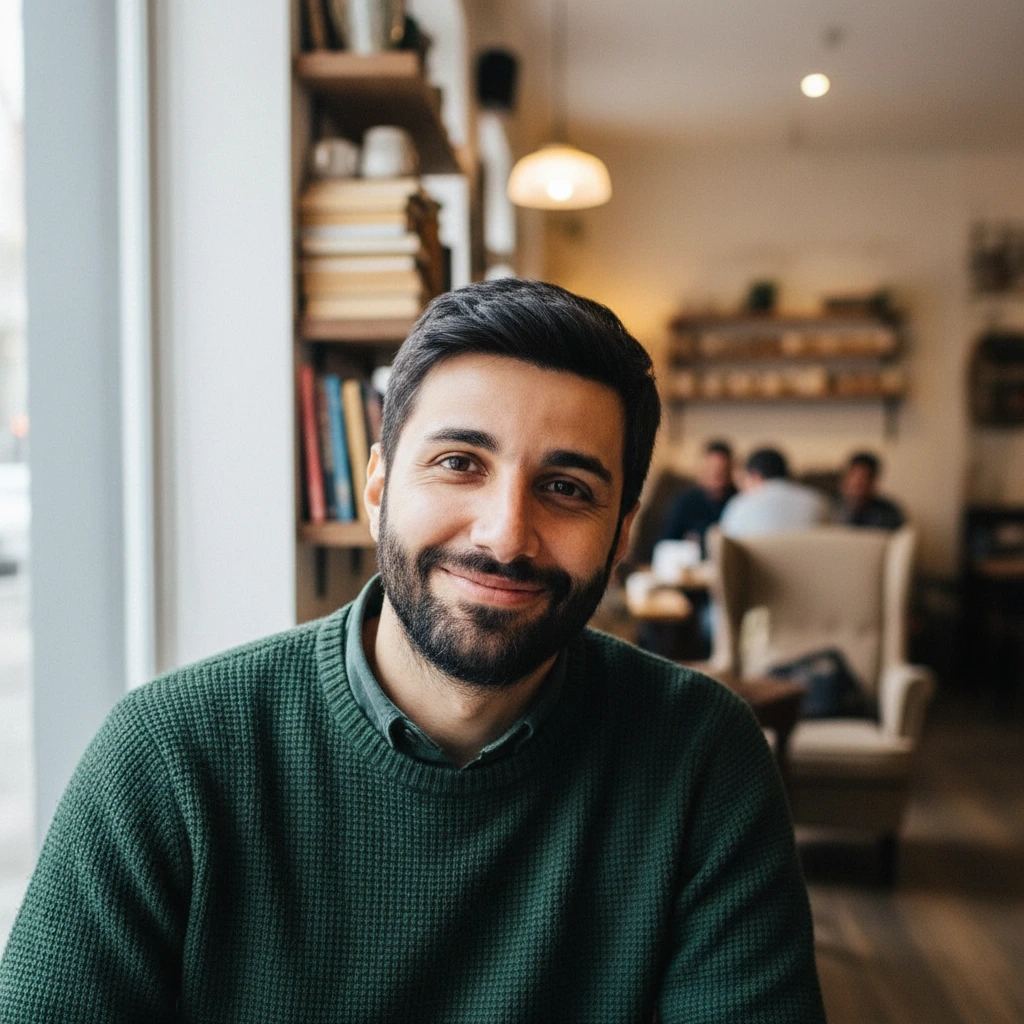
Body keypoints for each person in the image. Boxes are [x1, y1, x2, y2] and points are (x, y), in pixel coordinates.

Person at [0, 280, 825, 1023]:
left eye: (567, 488)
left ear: (621, 537)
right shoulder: (169, 755)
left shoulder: (702, 757)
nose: (506, 535)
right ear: (377, 487)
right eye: (459, 463)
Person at [719, 446, 832, 538]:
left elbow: (724, 549)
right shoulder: (820, 502)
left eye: (744, 479)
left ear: (755, 476)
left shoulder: (740, 504)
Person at [656, 439, 737, 555]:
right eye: (711, 469)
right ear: (701, 470)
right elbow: (666, 544)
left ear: (730, 470)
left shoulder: (739, 501)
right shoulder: (684, 502)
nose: (716, 474)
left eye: (722, 470)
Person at [837, 450, 905, 530]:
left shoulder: (889, 514)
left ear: (873, 482)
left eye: (863, 478)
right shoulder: (829, 508)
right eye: (853, 476)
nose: (856, 483)